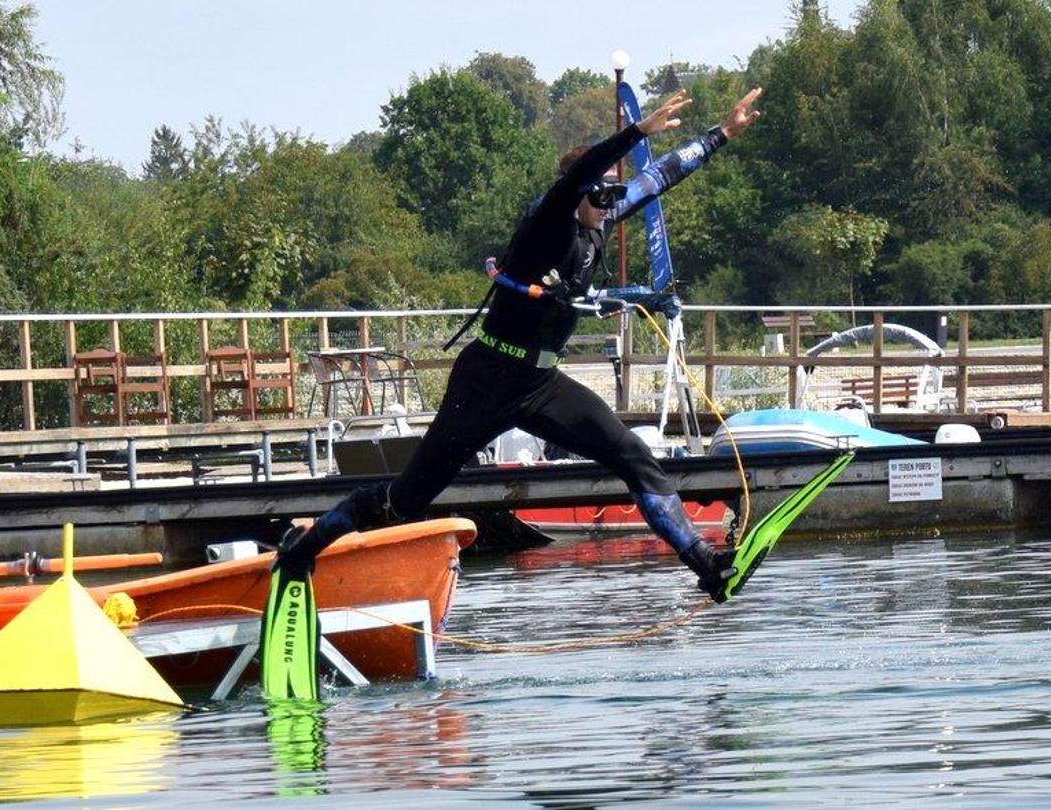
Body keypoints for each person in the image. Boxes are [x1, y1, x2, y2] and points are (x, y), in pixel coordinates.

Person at [277, 87, 766, 602]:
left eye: (609, 197)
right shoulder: (548, 223)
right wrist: (635, 133)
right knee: (408, 499)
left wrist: (723, 134)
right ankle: (304, 550)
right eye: (598, 197)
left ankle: (706, 564)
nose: (607, 207)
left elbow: (662, 175)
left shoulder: (600, 214)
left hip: (540, 382)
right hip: (486, 380)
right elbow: (582, 176)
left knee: (632, 454)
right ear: (577, 193)